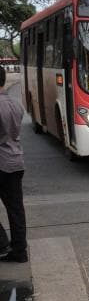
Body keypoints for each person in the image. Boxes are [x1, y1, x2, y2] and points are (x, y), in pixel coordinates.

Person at [0, 66, 28, 263]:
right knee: (16, 209)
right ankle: (19, 250)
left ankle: (3, 243)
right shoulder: (16, 104)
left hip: (1, 162)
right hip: (16, 160)